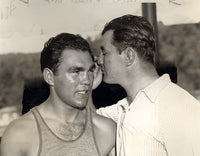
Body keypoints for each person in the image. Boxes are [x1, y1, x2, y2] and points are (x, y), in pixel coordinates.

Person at [94, 14, 200, 156]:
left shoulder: (180, 107)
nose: (99, 60)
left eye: (105, 53)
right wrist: (87, 85)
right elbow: (82, 122)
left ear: (129, 56)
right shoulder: (122, 110)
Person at [0, 33, 116, 156]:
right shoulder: (19, 135)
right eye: (76, 71)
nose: (87, 80)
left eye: (90, 70)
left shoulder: (106, 130)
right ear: (49, 77)